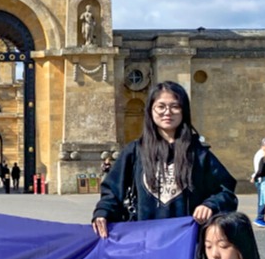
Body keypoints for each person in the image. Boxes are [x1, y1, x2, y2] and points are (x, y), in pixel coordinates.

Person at [92, 81, 238, 240]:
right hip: (144, 240)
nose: (167, 112)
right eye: (161, 106)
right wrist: (103, 212)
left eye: (175, 106)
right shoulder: (134, 151)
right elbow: (112, 190)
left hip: (186, 243)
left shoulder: (198, 153)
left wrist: (210, 205)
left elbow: (227, 191)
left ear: (184, 111)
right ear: (150, 110)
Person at [251, 137, 265, 228]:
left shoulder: (263, 154)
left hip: (261, 179)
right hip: (261, 180)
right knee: (263, 200)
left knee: (263, 199)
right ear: (264, 145)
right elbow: (260, 169)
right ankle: (259, 218)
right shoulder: (262, 154)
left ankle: (260, 218)